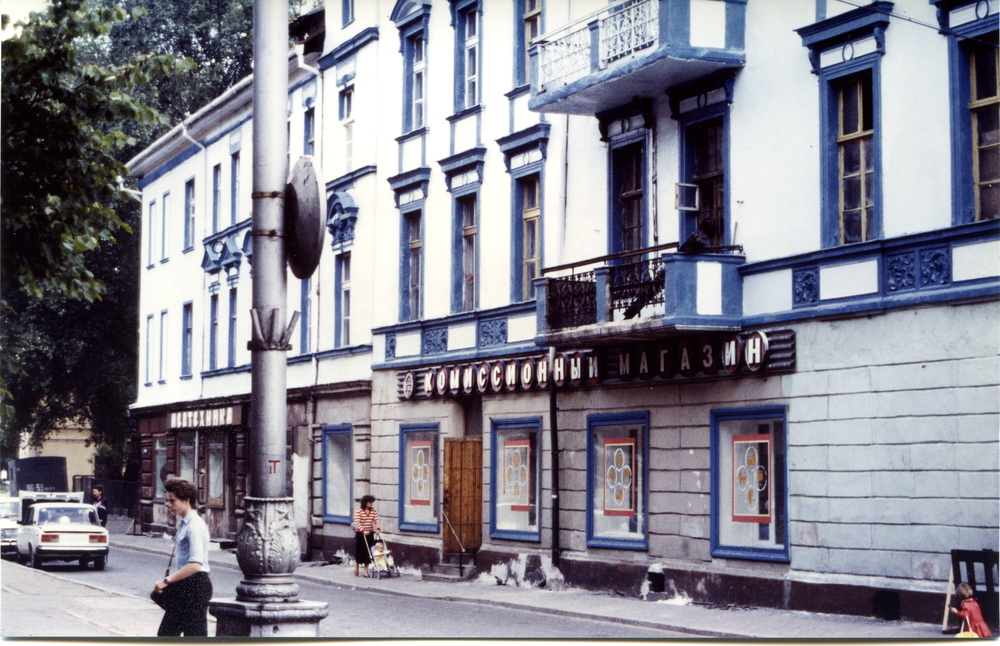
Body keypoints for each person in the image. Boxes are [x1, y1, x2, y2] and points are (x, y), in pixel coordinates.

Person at [152, 478, 213, 637]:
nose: (168, 505)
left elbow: (195, 564)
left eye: (172, 501)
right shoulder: (185, 523)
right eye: (167, 500)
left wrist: (166, 581)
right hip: (185, 586)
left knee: (194, 637)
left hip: (195, 586)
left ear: (186, 501)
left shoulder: (194, 525)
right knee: (166, 635)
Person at [353, 494, 380, 577]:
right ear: (364, 503)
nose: (371, 504)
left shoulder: (373, 510)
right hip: (361, 534)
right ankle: (357, 565)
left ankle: (365, 571)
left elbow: (376, 519)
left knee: (368, 551)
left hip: (370, 533)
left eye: (371, 502)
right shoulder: (359, 510)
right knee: (360, 551)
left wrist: (378, 528)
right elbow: (357, 522)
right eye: (369, 502)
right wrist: (363, 530)